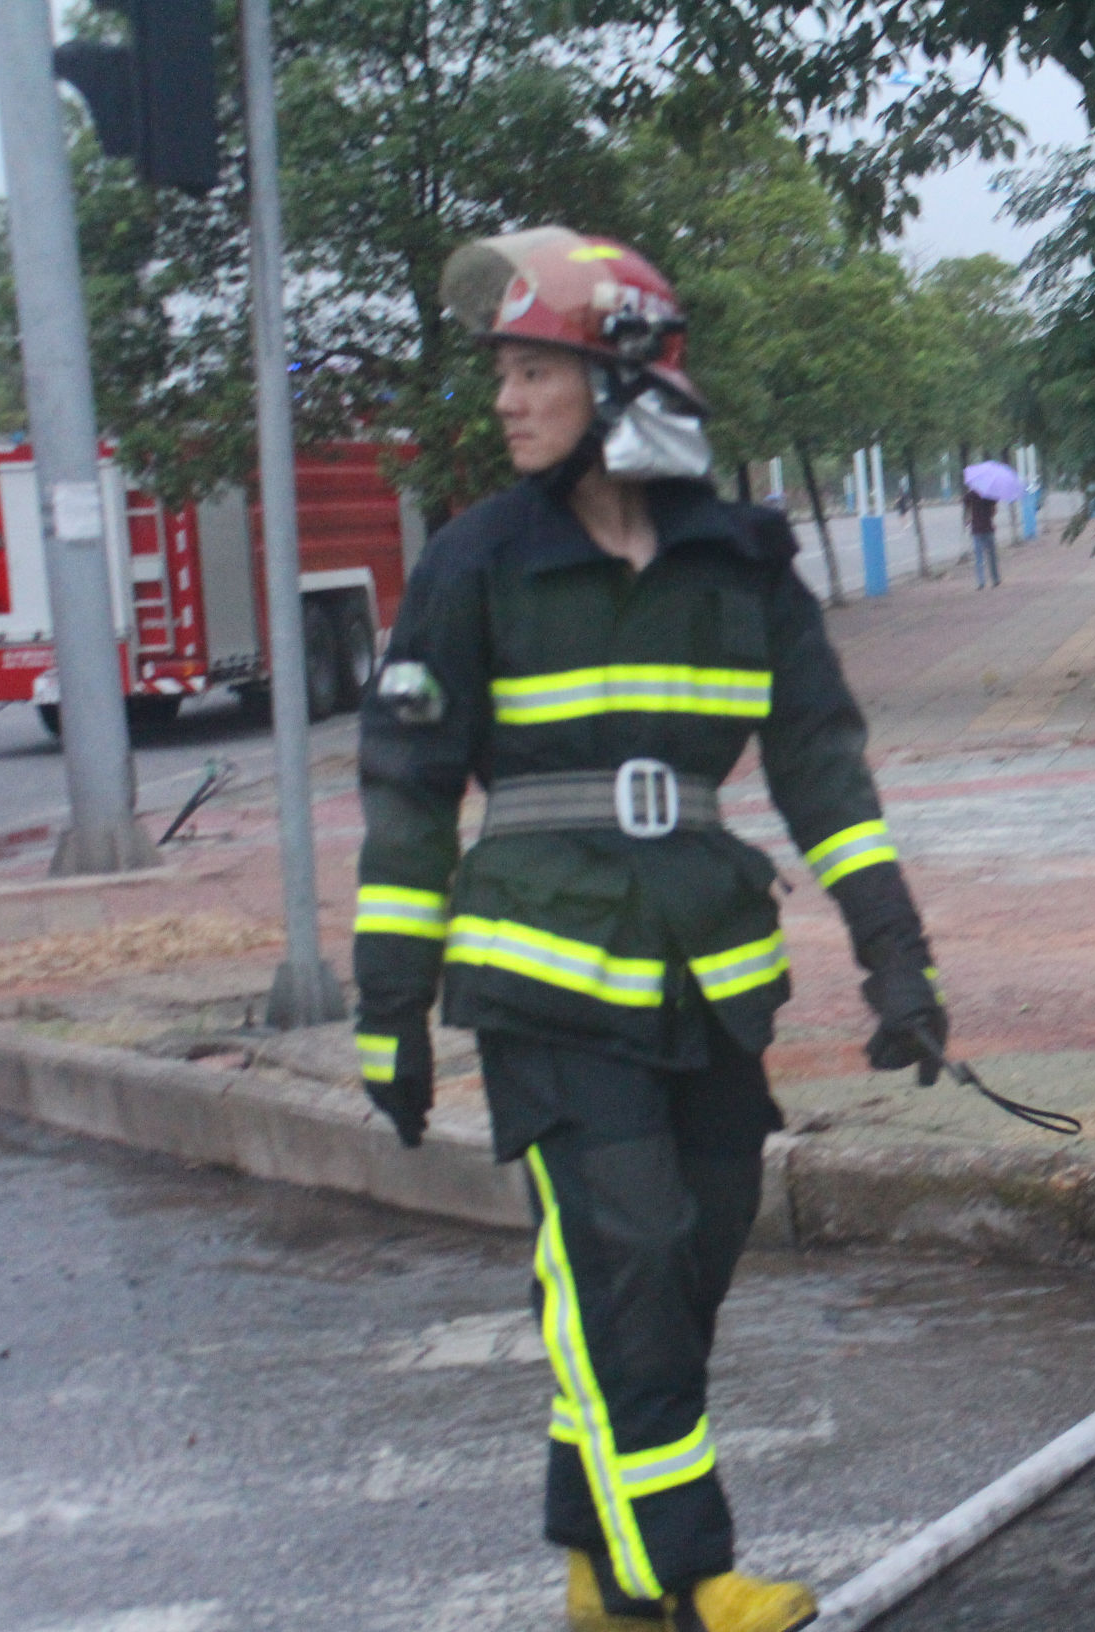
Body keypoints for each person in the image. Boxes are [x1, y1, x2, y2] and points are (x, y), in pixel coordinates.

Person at [353, 226, 947, 1632]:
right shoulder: (473, 562)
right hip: (542, 977)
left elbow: (822, 768)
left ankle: (589, 1552)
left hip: (709, 978)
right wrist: (390, 1007)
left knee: (687, 1259)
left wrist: (895, 956)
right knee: (622, 1257)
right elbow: (407, 794)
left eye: (533, 369)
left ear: (624, 376)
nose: (503, 401)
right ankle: (675, 1577)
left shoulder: (738, 560)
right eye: (498, 372)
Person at [962, 485, 1001, 588]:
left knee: (979, 557)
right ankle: (995, 579)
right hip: (988, 528)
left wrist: (966, 519)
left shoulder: (971, 495)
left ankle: (981, 581)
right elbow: (994, 511)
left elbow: (966, 507)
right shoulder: (990, 495)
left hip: (976, 529)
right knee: (991, 555)